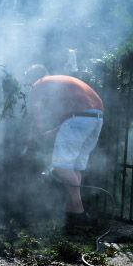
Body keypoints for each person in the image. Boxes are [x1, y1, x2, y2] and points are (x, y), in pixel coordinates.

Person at [24, 64, 104, 231]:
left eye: (28, 82)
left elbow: (37, 115)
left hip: (79, 119)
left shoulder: (39, 84)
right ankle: (71, 213)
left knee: (61, 167)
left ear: (33, 78)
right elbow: (71, 114)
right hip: (96, 118)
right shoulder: (58, 82)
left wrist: (34, 137)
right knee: (74, 167)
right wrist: (56, 130)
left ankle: (80, 214)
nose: (29, 86)